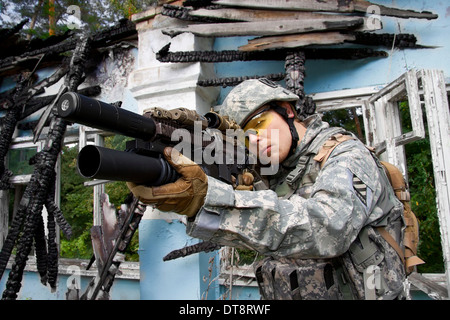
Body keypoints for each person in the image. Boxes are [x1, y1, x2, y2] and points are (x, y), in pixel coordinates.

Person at [127, 78, 407, 300]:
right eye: (246, 136)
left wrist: (209, 200)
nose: (257, 140)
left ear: (287, 110)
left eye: (260, 123)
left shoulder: (347, 155)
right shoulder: (274, 172)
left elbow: (327, 229)